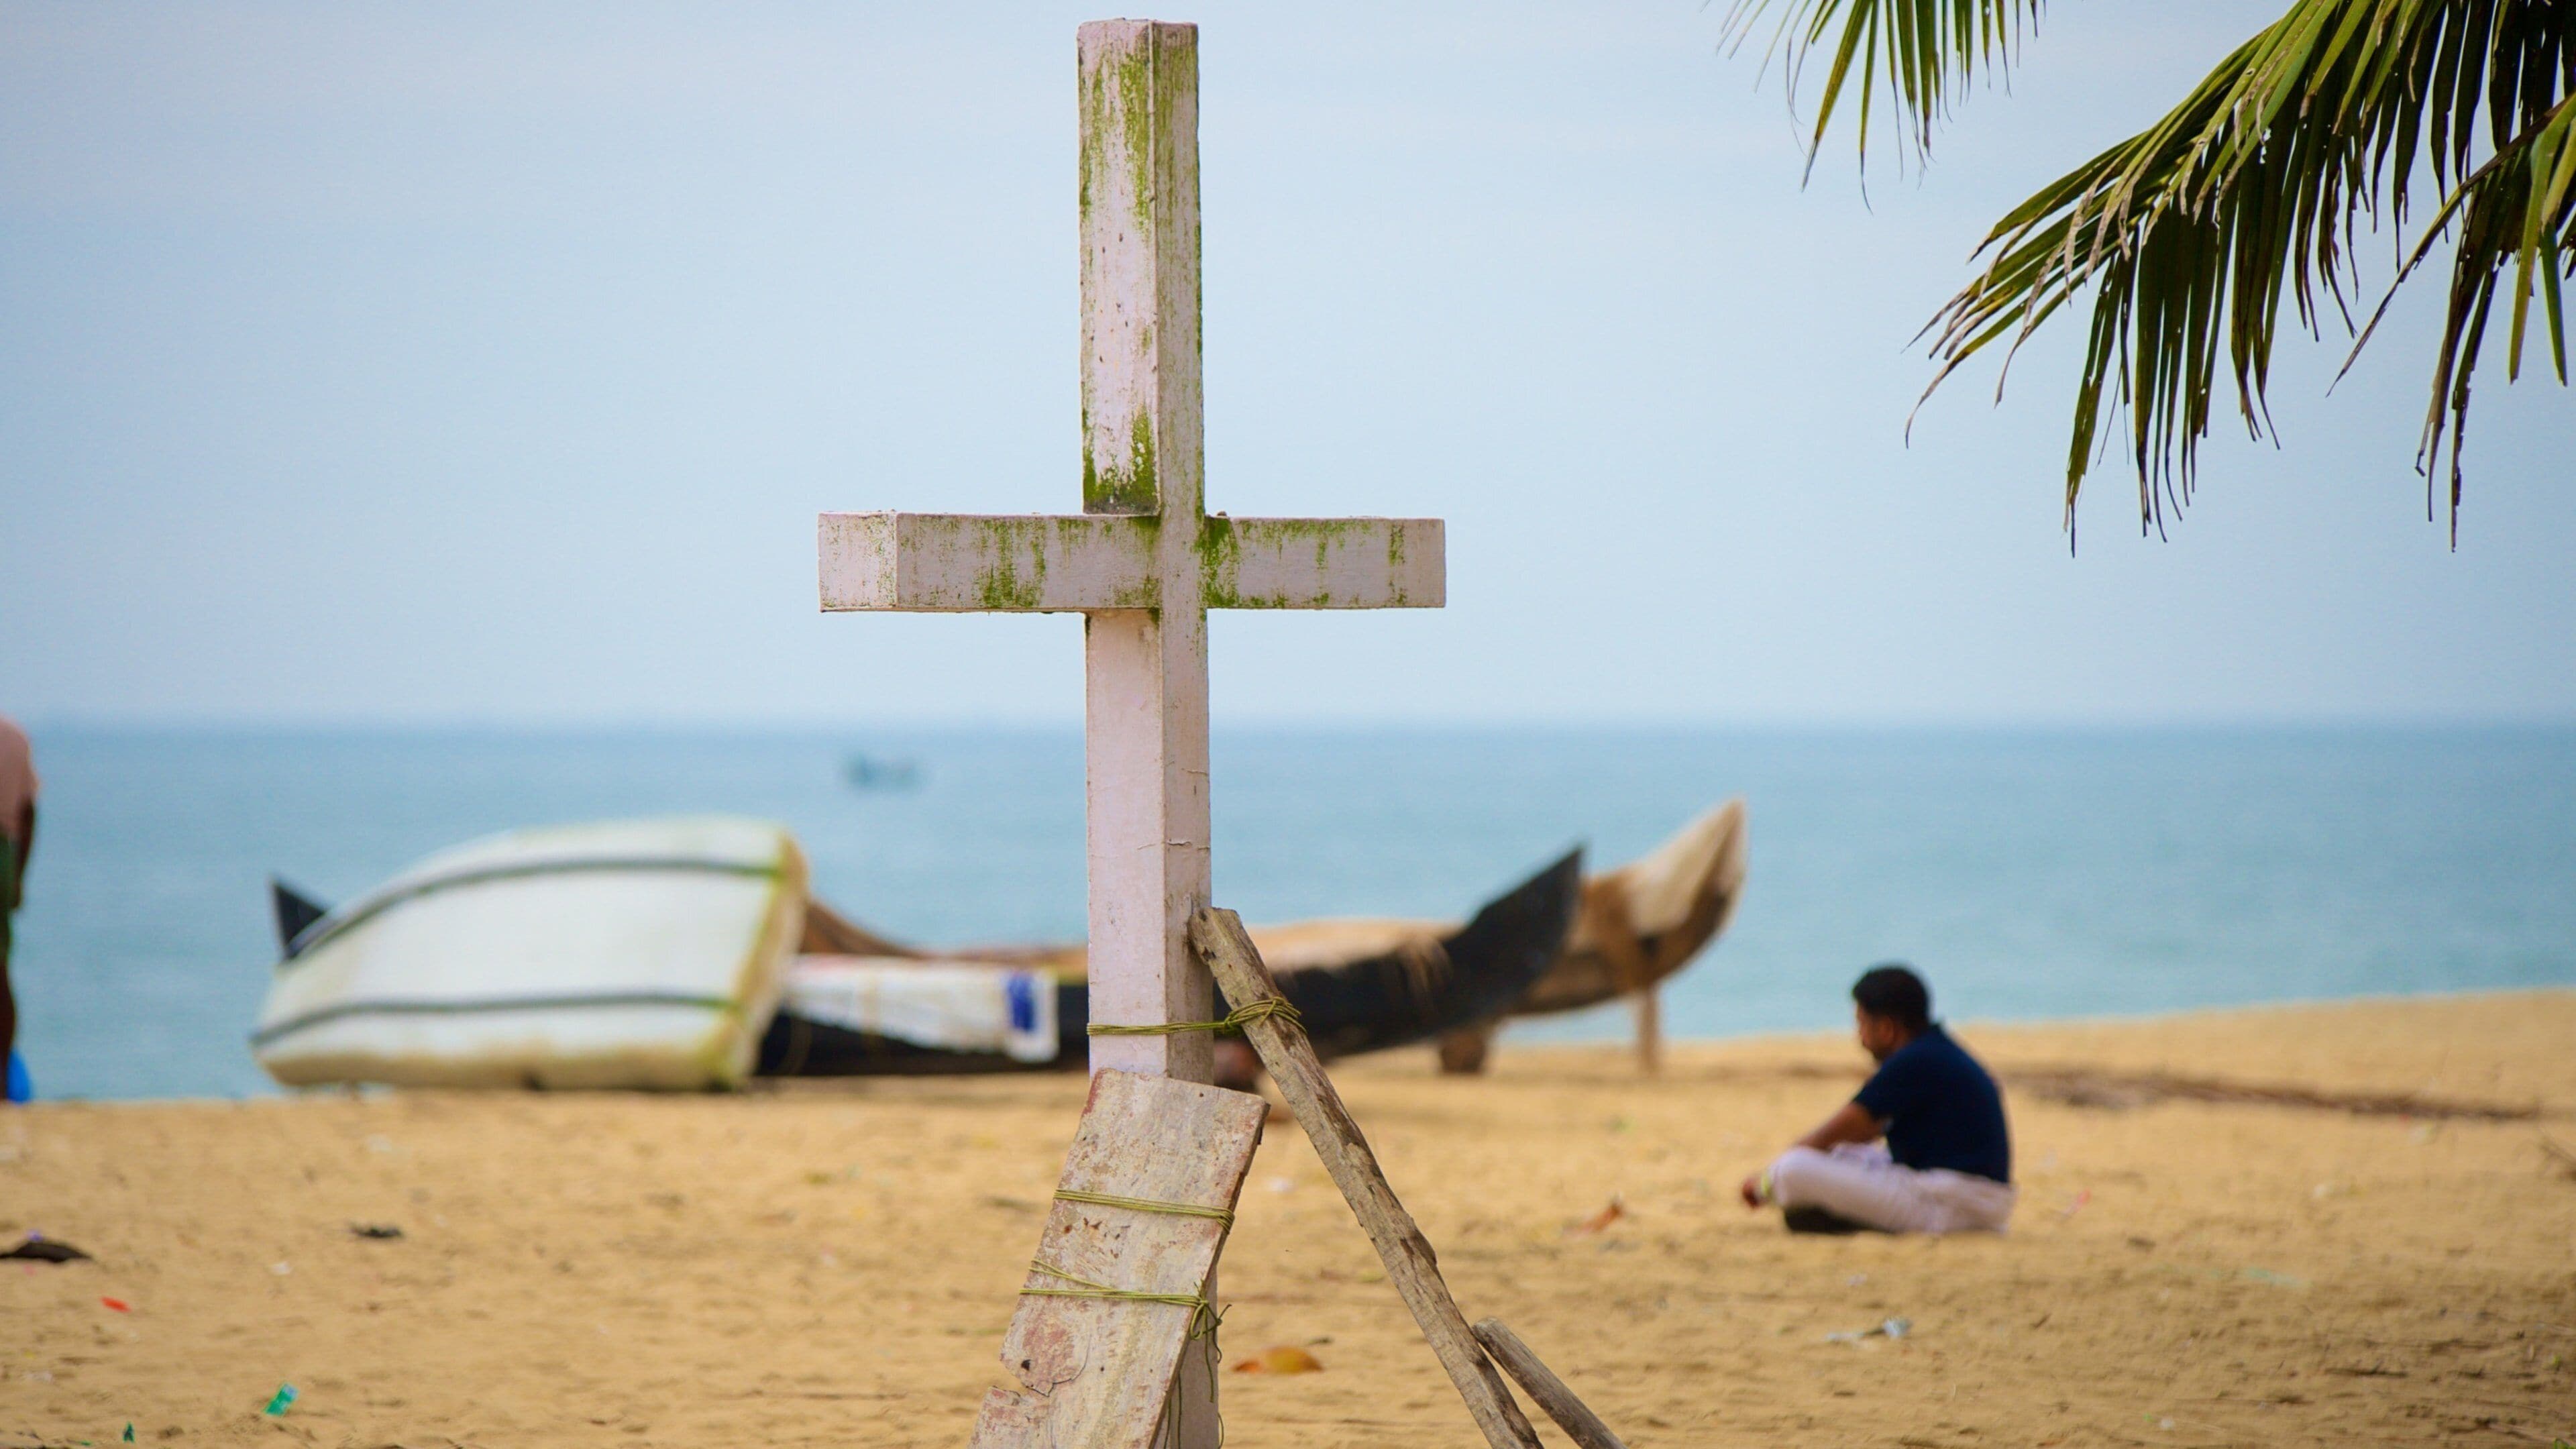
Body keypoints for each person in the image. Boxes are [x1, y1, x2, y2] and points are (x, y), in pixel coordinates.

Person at [1739, 964, 2013, 1234]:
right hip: (1971, 1199)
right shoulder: (1937, 1051)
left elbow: (1835, 1132)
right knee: (1845, 1155)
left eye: (1861, 1023)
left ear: (1886, 1029)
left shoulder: (1912, 1061)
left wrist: (1765, 1181)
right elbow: (1863, 1135)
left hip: (1951, 1206)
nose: (1859, 1036)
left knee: (1794, 1167)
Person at [1, 714, 35, 1104]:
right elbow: (29, 814)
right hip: (3, 853)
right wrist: (18, 876)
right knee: (0, 972)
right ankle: (3, 1081)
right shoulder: (13, 736)